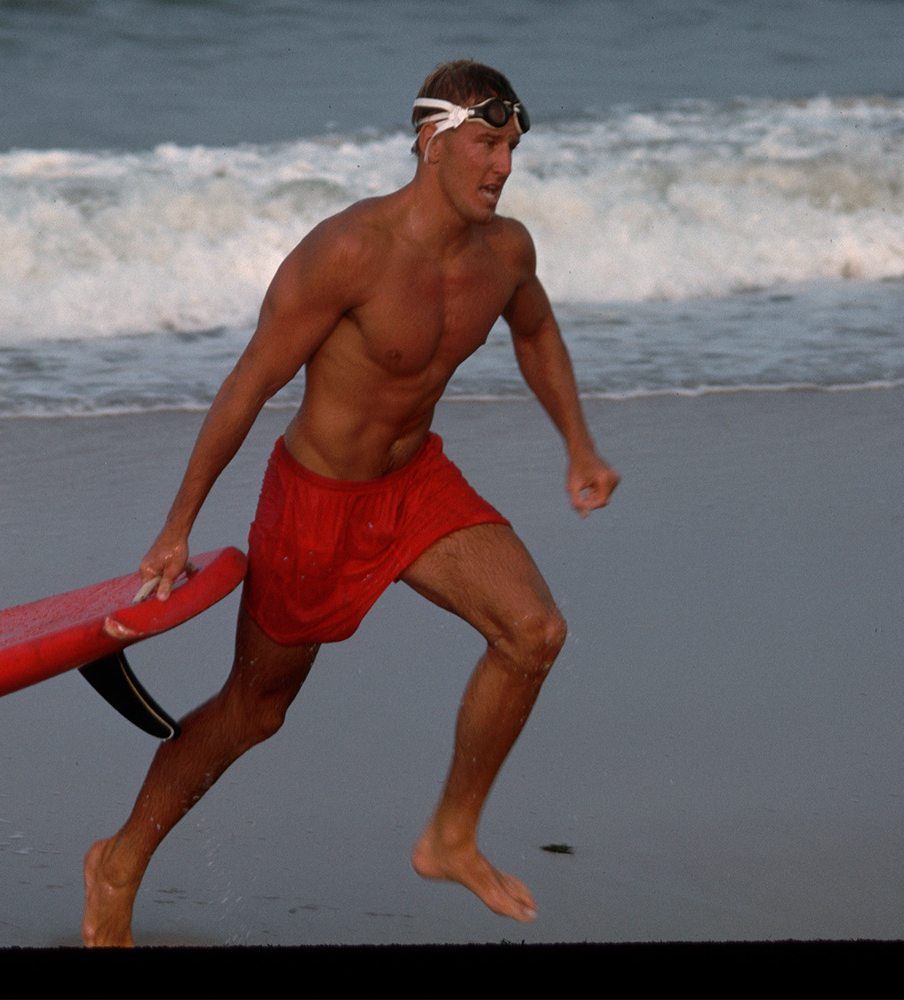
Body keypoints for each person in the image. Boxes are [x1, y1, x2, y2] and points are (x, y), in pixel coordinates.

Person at [82, 59, 620, 947]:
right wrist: (177, 528)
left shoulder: (506, 253)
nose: (504, 167)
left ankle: (451, 836)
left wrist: (579, 443)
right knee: (256, 710)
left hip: (413, 485)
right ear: (433, 141)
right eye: (488, 144)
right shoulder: (348, 252)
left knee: (534, 631)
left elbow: (535, 328)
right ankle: (119, 859)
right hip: (317, 504)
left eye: (513, 150)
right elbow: (248, 386)